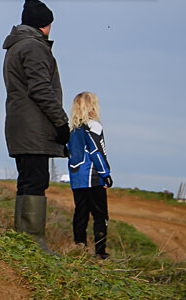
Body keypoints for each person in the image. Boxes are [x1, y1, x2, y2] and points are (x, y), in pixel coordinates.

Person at [2, 0, 69, 255]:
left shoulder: (17, 46)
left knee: (28, 180)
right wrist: (61, 122)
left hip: (20, 125)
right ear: (46, 24)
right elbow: (41, 88)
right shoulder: (34, 47)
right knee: (36, 181)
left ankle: (23, 240)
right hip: (34, 127)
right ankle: (33, 242)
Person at [67, 91, 112, 259]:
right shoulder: (94, 126)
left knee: (81, 213)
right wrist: (105, 173)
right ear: (92, 106)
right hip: (93, 176)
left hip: (76, 178)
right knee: (100, 215)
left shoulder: (72, 128)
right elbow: (97, 151)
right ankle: (100, 252)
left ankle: (80, 248)